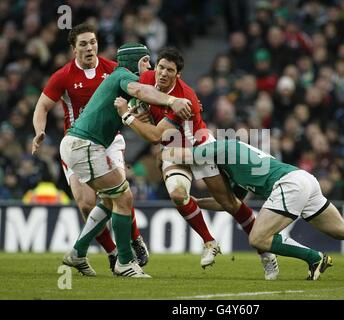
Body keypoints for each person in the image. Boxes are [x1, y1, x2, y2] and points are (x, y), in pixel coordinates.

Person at [114, 47, 279, 280]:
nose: (162, 73)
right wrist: (137, 109)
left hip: (198, 147)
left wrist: (127, 115)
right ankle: (209, 242)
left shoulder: (185, 99)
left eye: (169, 70)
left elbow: (153, 136)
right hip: (172, 147)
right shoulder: (147, 79)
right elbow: (143, 106)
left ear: (177, 75)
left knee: (229, 203)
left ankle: (267, 255)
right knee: (178, 194)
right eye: (160, 67)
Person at [162, 139, 344, 281]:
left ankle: (314, 258)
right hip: (303, 179)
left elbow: (183, 153)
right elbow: (230, 204)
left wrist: (162, 149)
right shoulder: (234, 165)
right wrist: (195, 201)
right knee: (340, 229)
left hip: (288, 184)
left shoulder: (220, 146)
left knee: (258, 238)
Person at [59, 42, 192, 278]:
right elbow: (140, 91)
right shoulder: (123, 76)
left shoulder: (119, 81)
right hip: (85, 145)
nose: (149, 67)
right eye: (146, 62)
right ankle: (124, 262)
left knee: (112, 200)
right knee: (124, 197)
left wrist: (134, 114)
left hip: (83, 144)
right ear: (136, 62)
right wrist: (172, 101)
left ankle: (78, 252)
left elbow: (143, 122)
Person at [31, 23, 150, 271]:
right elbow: (42, 106)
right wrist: (39, 131)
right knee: (87, 203)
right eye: (83, 44)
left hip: (110, 140)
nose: (89, 48)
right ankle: (112, 252)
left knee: (118, 191)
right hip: (79, 142)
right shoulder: (63, 75)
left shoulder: (113, 69)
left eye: (93, 42)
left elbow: (135, 94)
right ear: (74, 49)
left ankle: (134, 238)